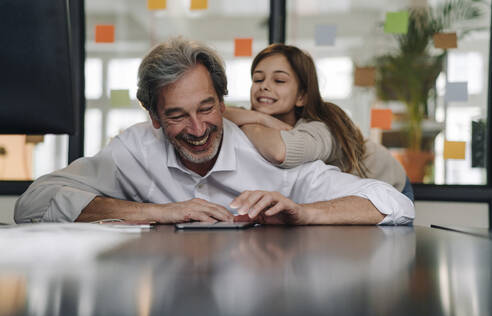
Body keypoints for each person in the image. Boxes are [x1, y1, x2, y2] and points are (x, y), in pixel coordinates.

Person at [14, 38, 414, 225]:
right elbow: (33, 202)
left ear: (224, 103)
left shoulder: (274, 155)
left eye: (207, 108)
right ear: (153, 117)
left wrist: (305, 212)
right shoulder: (133, 150)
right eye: (176, 116)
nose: (198, 129)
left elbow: (394, 203)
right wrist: (159, 212)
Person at [224, 44, 413, 200]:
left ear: (301, 96)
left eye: (279, 80)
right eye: (258, 79)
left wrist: (250, 121)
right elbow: (214, 114)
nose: (264, 85)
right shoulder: (256, 119)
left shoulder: (322, 125)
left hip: (392, 187)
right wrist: (260, 118)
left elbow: (280, 152)